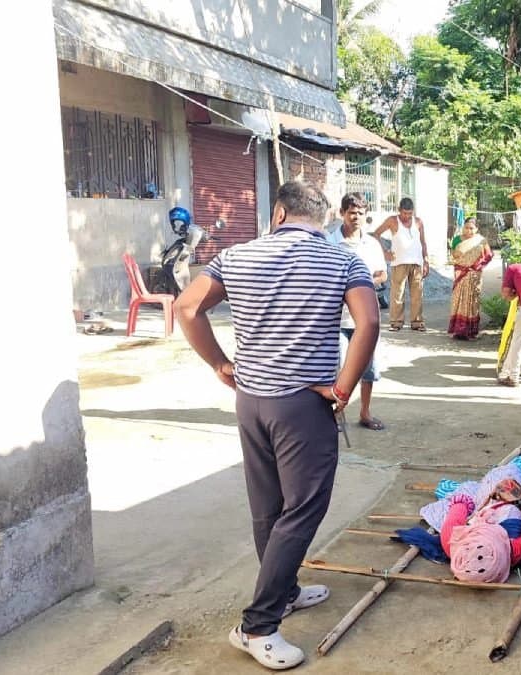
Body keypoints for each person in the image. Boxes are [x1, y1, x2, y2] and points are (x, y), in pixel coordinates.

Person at [175, 181, 379, 670]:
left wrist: (220, 365)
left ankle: (284, 591)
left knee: (268, 506)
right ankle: (257, 626)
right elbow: (367, 323)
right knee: (303, 509)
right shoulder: (342, 260)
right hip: (302, 405)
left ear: (278, 214)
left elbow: (186, 307)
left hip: (251, 400)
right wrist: (343, 389)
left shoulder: (236, 256)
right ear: (323, 219)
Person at [328, 193, 388, 430]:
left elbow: (382, 274)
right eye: (351, 212)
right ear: (342, 213)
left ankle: (364, 412)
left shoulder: (372, 244)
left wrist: (360, 286)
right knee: (339, 368)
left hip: (365, 319)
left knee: (368, 368)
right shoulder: (329, 242)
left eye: (360, 213)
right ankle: (335, 414)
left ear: (366, 216)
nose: (356, 217)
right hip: (337, 318)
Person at [372, 196, 429, 331]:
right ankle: (396, 323)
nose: (407, 216)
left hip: (417, 263)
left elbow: (423, 243)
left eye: (410, 213)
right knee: (397, 294)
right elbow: (376, 234)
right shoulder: (392, 221)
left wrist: (426, 261)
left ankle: (417, 322)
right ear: (399, 210)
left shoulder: (419, 222)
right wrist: (385, 252)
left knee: (417, 294)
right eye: (404, 213)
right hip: (399, 262)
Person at [447, 217, 493, 340]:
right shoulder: (457, 239)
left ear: (476, 229)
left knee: (472, 300)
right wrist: (462, 262)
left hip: (474, 274)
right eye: (466, 228)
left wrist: (478, 265)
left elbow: (489, 255)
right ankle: (458, 331)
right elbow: (454, 255)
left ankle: (470, 331)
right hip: (460, 273)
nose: (469, 231)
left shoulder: (481, 241)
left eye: (471, 228)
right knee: (459, 299)